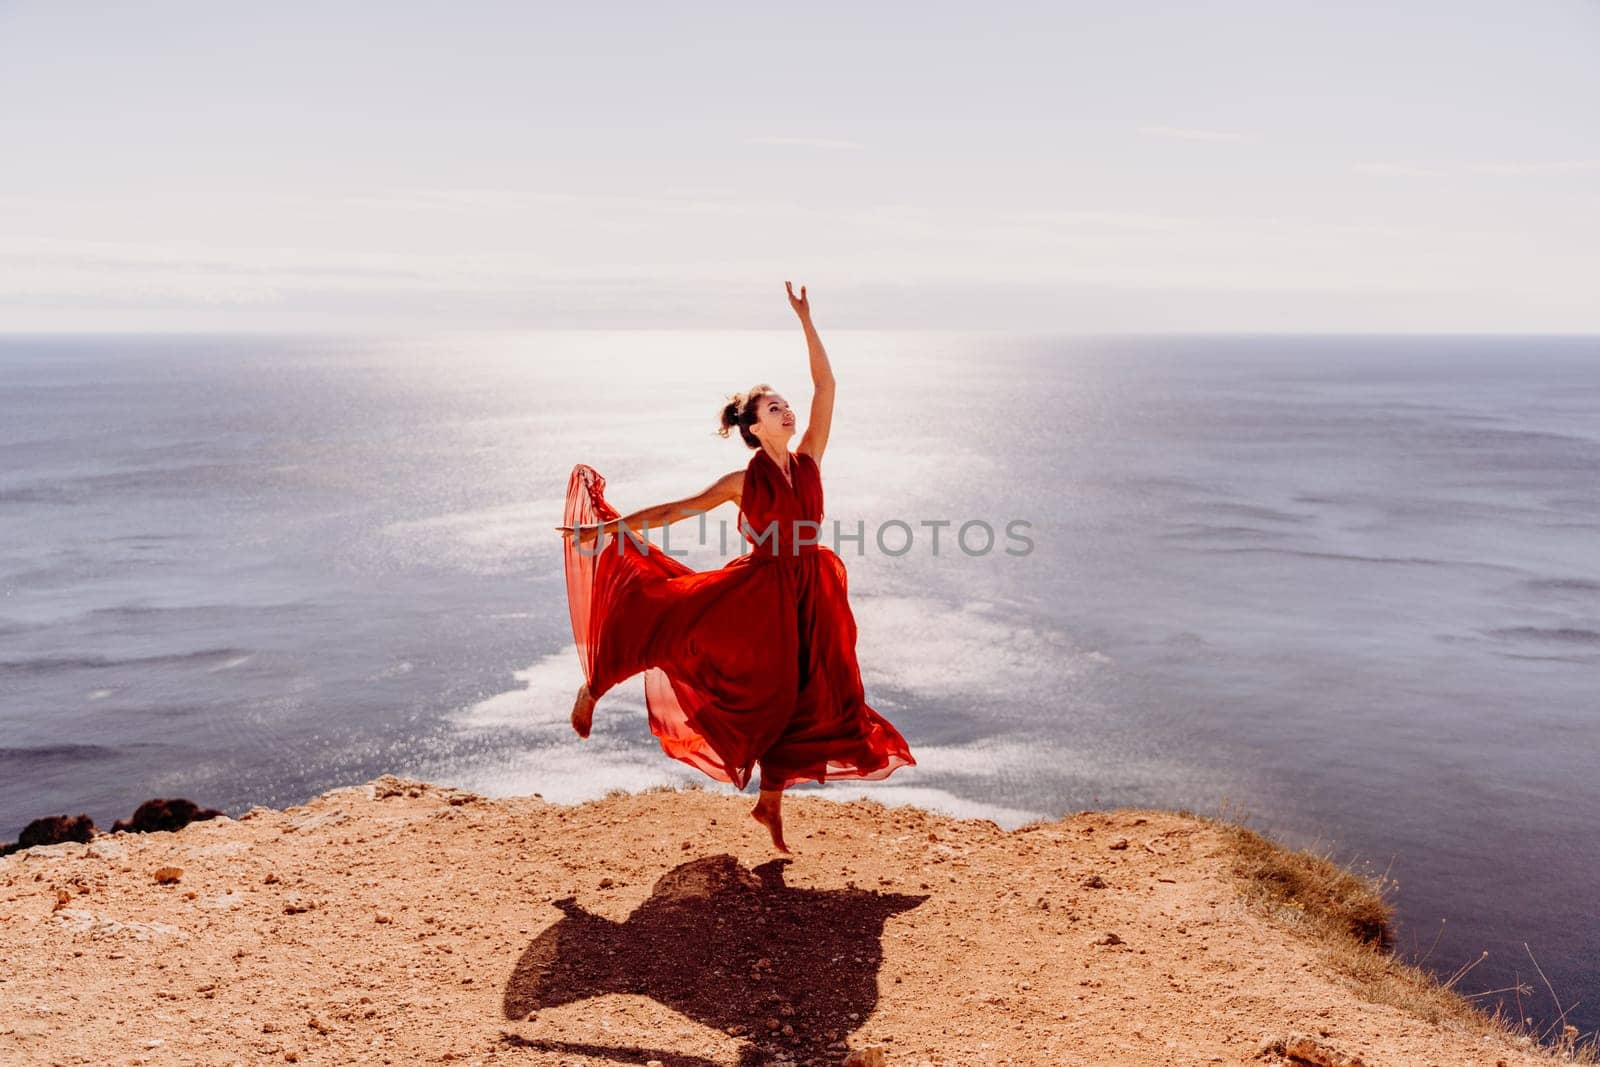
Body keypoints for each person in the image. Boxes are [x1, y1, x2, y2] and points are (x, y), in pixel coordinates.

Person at [555, 281, 915, 852]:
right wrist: (605, 531)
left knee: (817, 693)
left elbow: (827, 386)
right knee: (670, 623)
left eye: (785, 403)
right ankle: (595, 685)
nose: (788, 408)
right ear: (754, 426)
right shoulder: (743, 480)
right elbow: (679, 508)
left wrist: (806, 320)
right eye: (775, 406)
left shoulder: (809, 459)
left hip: (811, 589)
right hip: (759, 592)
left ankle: (769, 803)